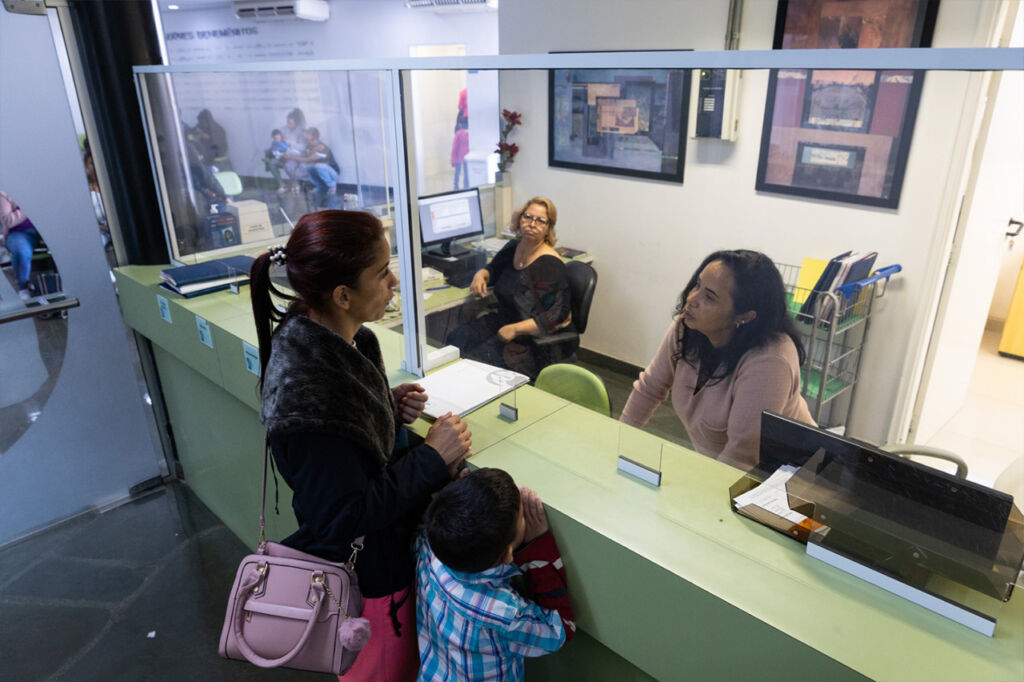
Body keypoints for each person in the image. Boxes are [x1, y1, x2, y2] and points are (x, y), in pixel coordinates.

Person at [250, 210, 474, 682]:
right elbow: (342, 518)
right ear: (342, 295)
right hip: (368, 579)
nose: (394, 281)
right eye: (382, 272)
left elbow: (349, 448)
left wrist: (385, 409)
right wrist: (433, 457)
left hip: (391, 555)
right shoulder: (308, 391)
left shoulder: (346, 340)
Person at [620, 249, 815, 470]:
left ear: (744, 316)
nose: (692, 299)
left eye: (709, 297)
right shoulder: (687, 327)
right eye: (697, 285)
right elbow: (649, 389)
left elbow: (740, 457)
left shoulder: (771, 360)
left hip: (783, 477)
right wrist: (618, 444)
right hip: (724, 468)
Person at [415, 468, 575, 681]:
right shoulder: (504, 613)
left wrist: (460, 502)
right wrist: (537, 547)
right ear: (508, 553)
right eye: (522, 518)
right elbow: (560, 629)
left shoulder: (429, 549)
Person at [446, 197, 575, 378]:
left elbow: (557, 315)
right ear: (520, 219)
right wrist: (481, 274)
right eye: (528, 217)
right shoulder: (515, 246)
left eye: (540, 220)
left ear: (548, 228)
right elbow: (494, 267)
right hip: (504, 321)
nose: (532, 224)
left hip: (530, 334)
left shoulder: (549, 264)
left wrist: (516, 329)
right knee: (456, 339)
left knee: (481, 358)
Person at [1, 190, 42, 301]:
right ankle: (23, 287)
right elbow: (8, 221)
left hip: (44, 231)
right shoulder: (3, 194)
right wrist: (29, 208)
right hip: (19, 233)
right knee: (21, 251)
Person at [284, 127, 340, 209]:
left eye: (307, 134)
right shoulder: (309, 146)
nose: (305, 136)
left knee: (318, 166)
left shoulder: (322, 147)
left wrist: (292, 157)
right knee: (305, 167)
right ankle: (320, 186)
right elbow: (303, 155)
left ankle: (331, 186)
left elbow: (308, 159)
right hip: (318, 170)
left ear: (313, 137)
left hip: (332, 172)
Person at [281, 107, 307, 192]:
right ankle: (294, 183)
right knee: (285, 165)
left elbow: (302, 147)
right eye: (287, 122)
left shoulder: (301, 131)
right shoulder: (283, 129)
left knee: (290, 166)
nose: (288, 124)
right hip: (286, 153)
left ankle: (296, 183)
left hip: (298, 154)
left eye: (290, 123)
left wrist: (288, 141)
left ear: (296, 122)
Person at [263, 128, 289, 193]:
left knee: (272, 162)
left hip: (287, 160)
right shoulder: (274, 143)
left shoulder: (284, 142)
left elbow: (285, 149)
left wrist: (276, 150)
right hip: (278, 159)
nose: (276, 139)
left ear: (281, 136)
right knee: (270, 161)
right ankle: (281, 184)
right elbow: (271, 149)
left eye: (278, 137)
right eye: (275, 138)